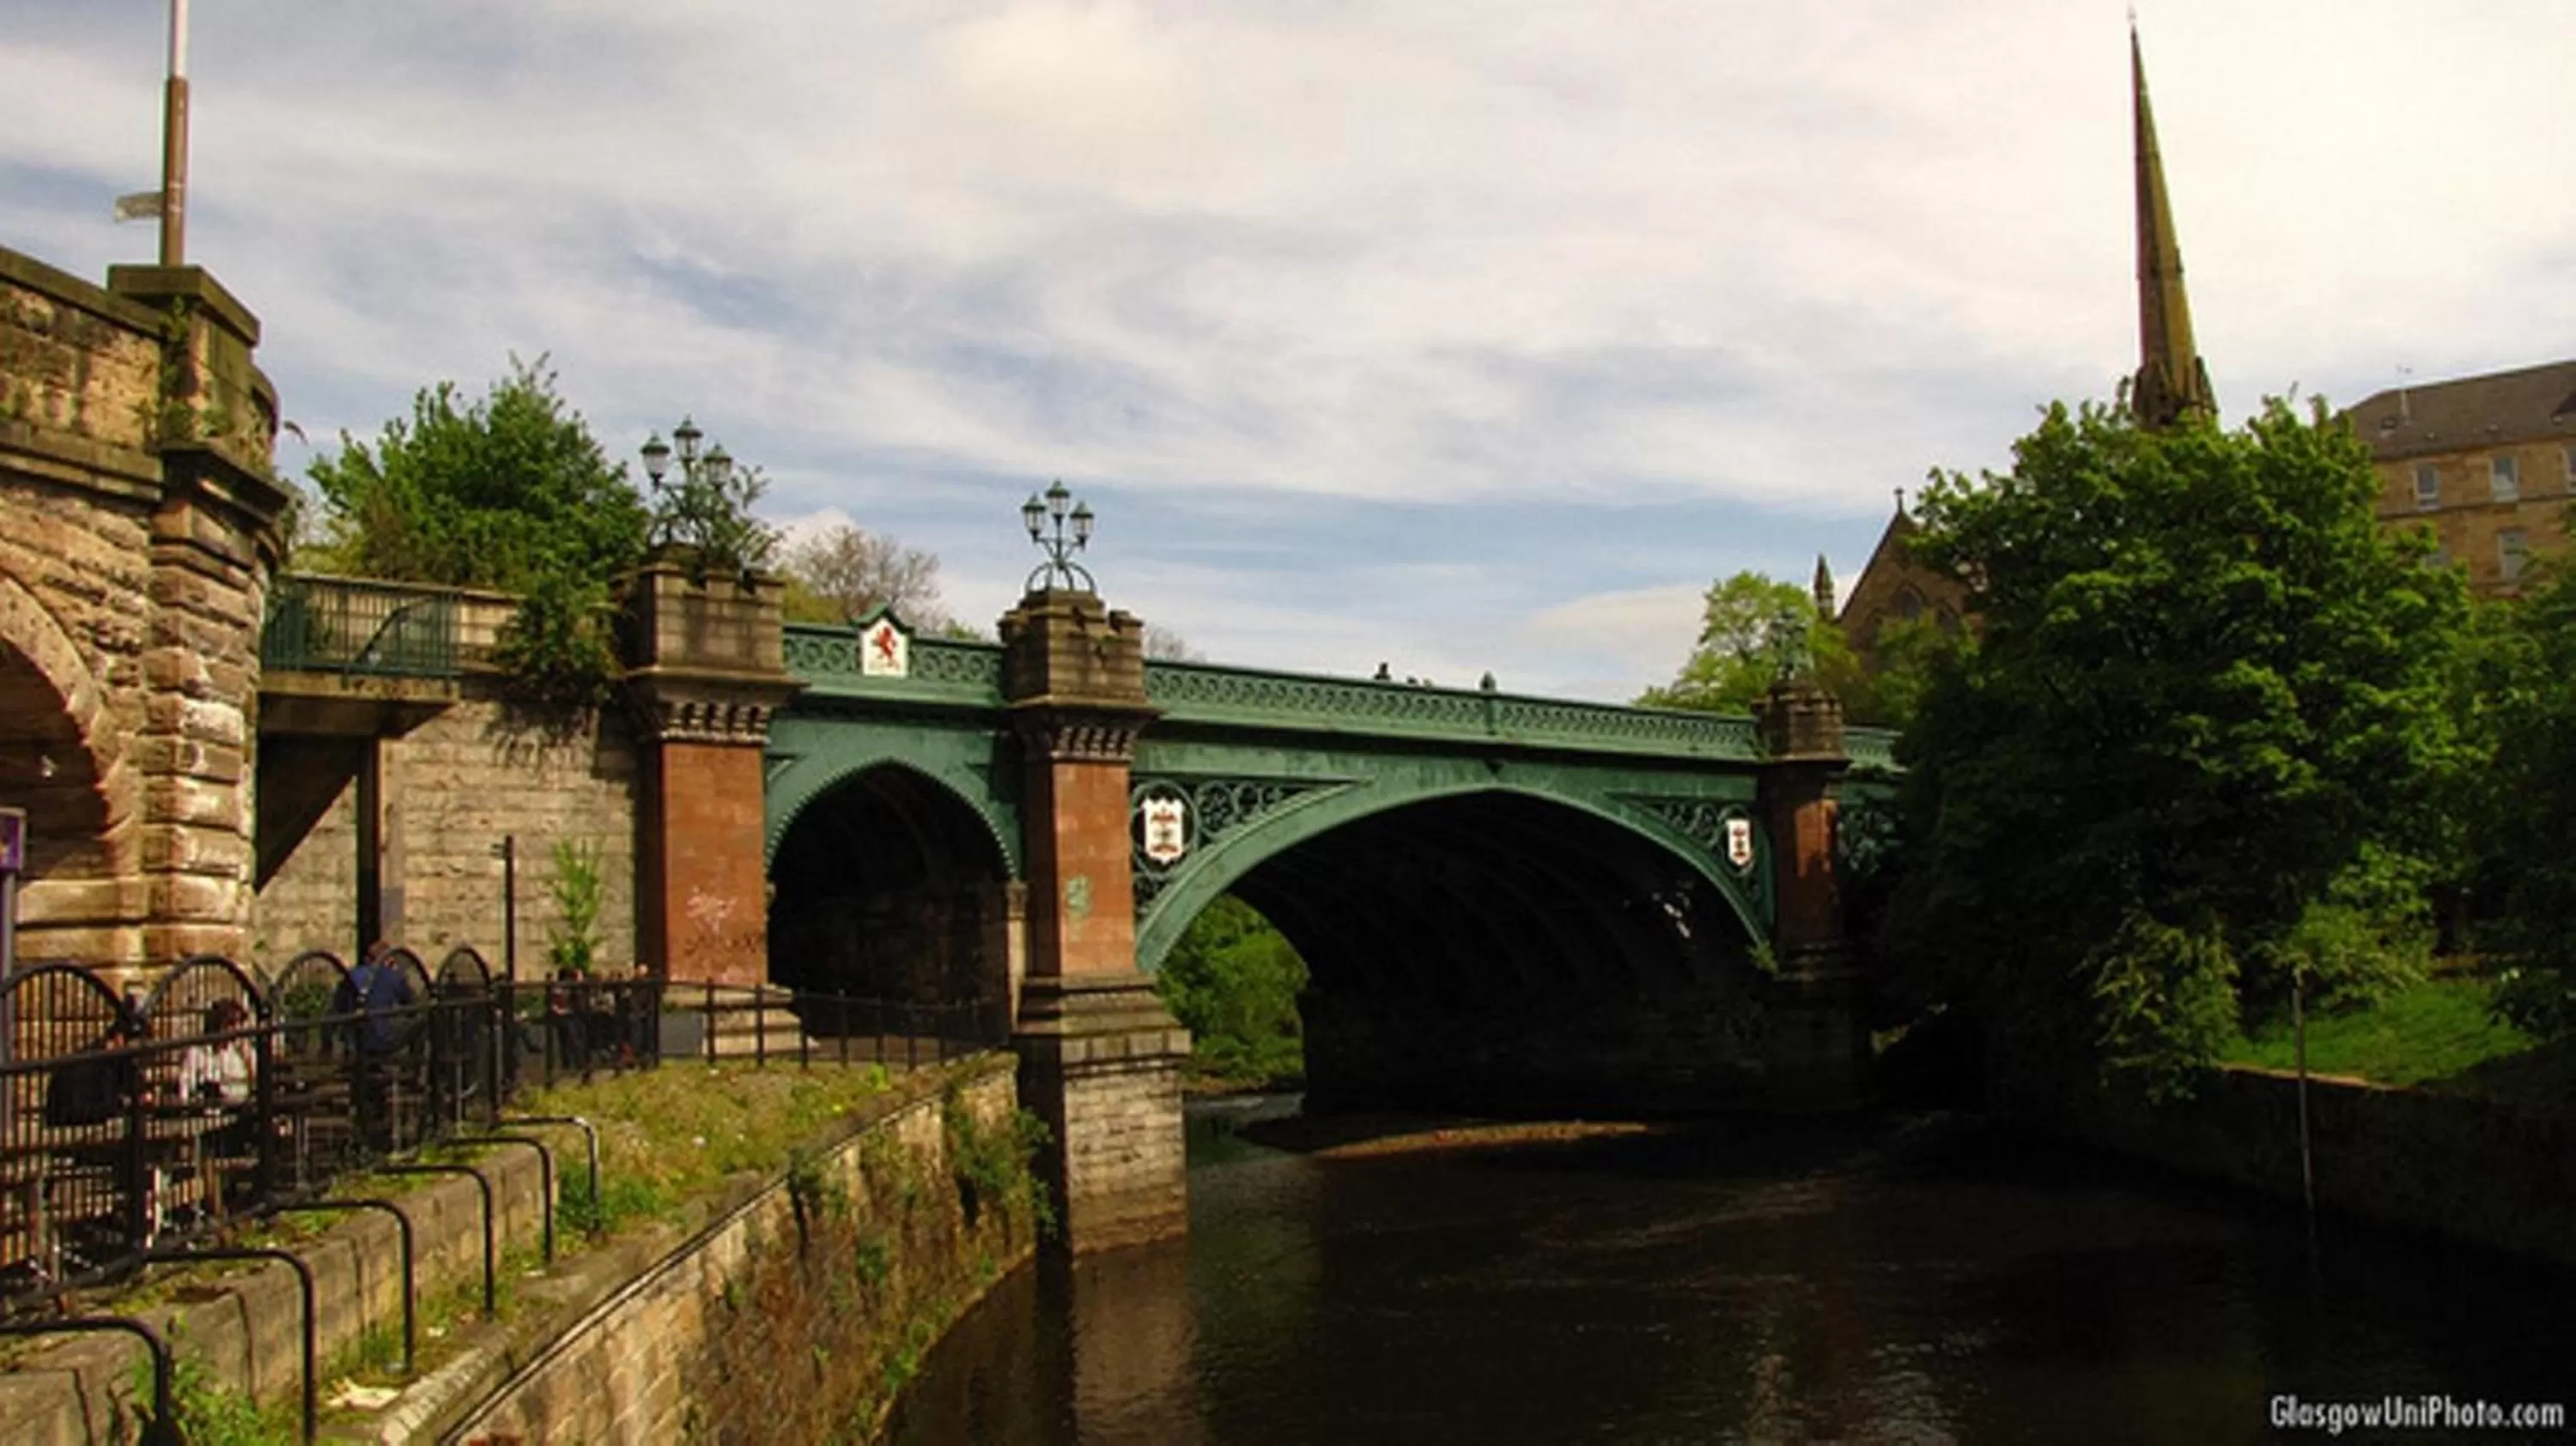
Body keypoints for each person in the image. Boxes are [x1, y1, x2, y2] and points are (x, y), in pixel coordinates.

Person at [335, 942, 416, 1153]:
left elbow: (338, 1008)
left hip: (358, 1044)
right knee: (418, 1024)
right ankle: (416, 1072)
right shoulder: (393, 977)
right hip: (386, 1042)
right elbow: (411, 1005)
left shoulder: (351, 977)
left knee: (364, 1080)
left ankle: (363, 1121)